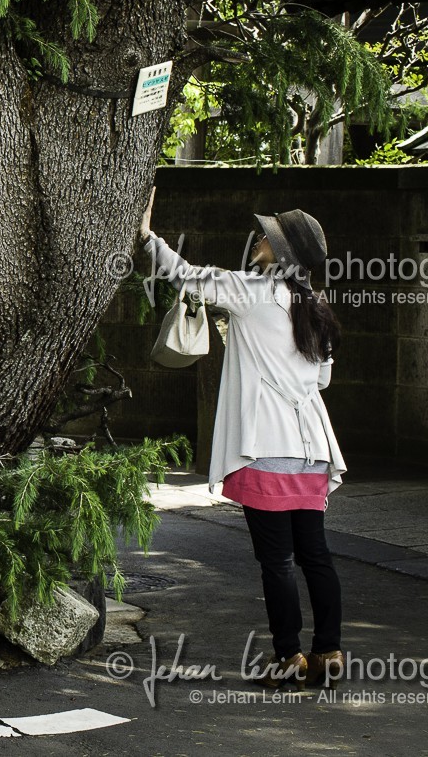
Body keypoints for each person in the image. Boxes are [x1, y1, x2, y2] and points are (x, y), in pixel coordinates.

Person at [138, 190, 346, 690]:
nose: (259, 240)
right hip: (313, 450)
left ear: (282, 254)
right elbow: (321, 382)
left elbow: (185, 273)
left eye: (269, 239)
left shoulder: (252, 292)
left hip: (267, 449)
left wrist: (146, 236)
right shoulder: (316, 307)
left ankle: (288, 656)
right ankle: (329, 652)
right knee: (315, 555)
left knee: (276, 561)